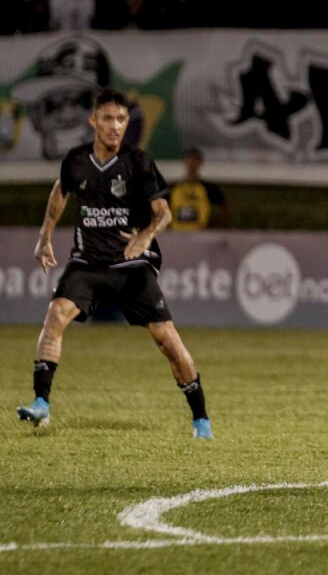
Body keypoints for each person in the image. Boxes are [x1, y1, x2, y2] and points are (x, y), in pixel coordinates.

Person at [16, 87, 214, 439]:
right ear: (94, 121)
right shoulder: (76, 160)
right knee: (56, 315)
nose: (115, 126)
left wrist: (147, 235)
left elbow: (164, 212)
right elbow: (61, 191)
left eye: (121, 119)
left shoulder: (138, 162)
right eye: (108, 118)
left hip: (130, 264)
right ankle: (41, 402)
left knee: (167, 340)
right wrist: (45, 235)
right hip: (88, 262)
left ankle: (201, 419)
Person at [169, 147, 228, 231]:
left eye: (195, 159)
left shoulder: (208, 187)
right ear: (184, 162)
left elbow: (224, 207)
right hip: (177, 233)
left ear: (200, 162)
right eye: (189, 159)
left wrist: (215, 225)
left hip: (201, 235)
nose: (192, 163)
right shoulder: (174, 187)